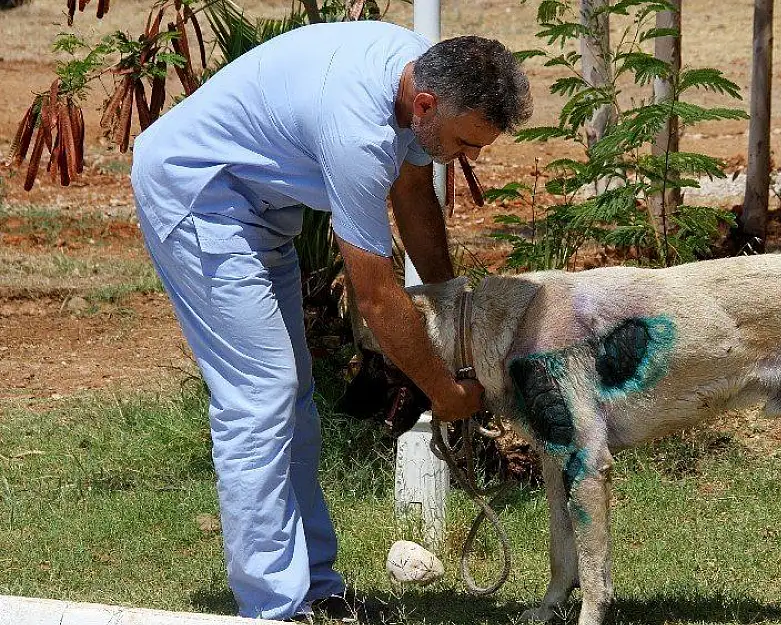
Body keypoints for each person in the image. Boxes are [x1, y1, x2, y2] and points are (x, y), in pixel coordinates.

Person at [129, 20, 532, 622]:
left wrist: (453, 310)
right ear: (425, 104)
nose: (469, 158)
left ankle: (316, 591)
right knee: (259, 397)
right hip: (200, 199)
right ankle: (275, 606)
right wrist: (442, 391)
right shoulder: (358, 133)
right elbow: (375, 298)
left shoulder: (418, 71)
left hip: (255, 209)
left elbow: (415, 195)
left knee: (294, 399)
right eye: (466, 142)